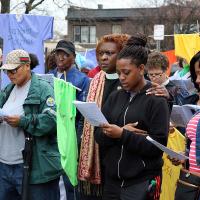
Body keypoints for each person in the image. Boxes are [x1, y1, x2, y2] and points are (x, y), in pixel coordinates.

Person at [94, 37, 169, 200]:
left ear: (141, 69)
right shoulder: (115, 97)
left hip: (142, 182)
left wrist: (122, 135)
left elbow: (158, 146)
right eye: (119, 72)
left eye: (126, 72)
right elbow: (98, 135)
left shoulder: (156, 99)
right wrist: (111, 134)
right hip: (112, 182)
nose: (121, 77)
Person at [0, 49, 63, 200]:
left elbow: (52, 121)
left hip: (33, 166)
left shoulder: (43, 89)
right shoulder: (8, 89)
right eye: (7, 71)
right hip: (4, 166)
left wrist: (23, 121)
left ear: (27, 66)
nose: (10, 74)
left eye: (14, 70)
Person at [78, 33, 130, 200]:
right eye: (101, 53)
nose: (104, 58)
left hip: (119, 158)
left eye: (109, 53)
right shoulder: (95, 81)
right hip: (95, 152)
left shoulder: (130, 82)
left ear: (122, 54)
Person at [48, 40, 90, 200]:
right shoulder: (48, 75)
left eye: (65, 54)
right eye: (58, 53)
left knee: (69, 180)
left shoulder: (82, 80)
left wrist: (77, 139)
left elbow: (82, 112)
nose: (61, 57)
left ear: (74, 57)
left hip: (70, 136)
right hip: (50, 136)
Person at [173, 51, 200, 200]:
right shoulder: (193, 99)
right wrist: (186, 156)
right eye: (196, 74)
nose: (198, 80)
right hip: (191, 184)